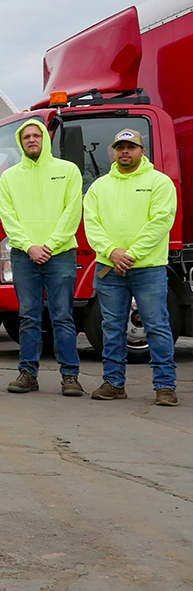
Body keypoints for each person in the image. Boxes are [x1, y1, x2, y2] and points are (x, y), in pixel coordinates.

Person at [83, 129, 179, 406]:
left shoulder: (159, 182)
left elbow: (161, 222)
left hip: (147, 268)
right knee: (111, 328)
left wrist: (131, 255)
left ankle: (165, 387)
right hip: (109, 268)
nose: (125, 151)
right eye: (120, 147)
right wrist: (113, 252)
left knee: (157, 326)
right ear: (113, 151)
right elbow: (92, 224)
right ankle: (113, 383)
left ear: (142, 151)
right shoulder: (99, 186)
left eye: (131, 146)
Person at [0, 119, 85, 396]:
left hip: (60, 255)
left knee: (62, 317)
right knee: (28, 317)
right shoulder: (10, 177)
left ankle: (70, 376)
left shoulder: (67, 171)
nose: (32, 140)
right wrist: (29, 246)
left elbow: (72, 212)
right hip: (24, 255)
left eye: (36, 135)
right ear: (20, 143)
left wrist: (51, 245)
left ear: (45, 138)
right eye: (26, 137)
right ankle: (27, 373)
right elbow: (8, 217)